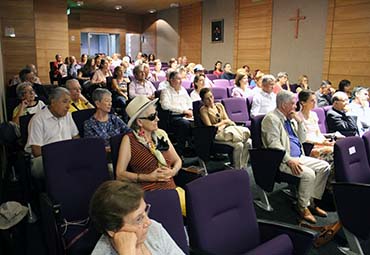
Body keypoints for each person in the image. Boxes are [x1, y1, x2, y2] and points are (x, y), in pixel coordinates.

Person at [261, 90, 330, 224]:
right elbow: (273, 144)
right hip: (282, 160)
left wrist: (299, 122)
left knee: (325, 167)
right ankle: (302, 207)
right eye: (293, 104)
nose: (295, 106)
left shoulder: (290, 117)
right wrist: (289, 160)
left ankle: (311, 201)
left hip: (299, 156)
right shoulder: (271, 119)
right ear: (283, 105)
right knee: (309, 174)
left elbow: (302, 139)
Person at [116, 95, 185, 214]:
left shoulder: (160, 134)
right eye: (152, 117)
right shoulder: (129, 140)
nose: (157, 119)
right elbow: (120, 174)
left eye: (156, 114)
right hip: (150, 195)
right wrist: (149, 177)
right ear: (139, 122)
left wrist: (172, 172)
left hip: (172, 190)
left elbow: (178, 161)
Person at [90, 180, 185, 255]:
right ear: (112, 230)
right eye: (138, 219)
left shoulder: (154, 229)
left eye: (145, 210)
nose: (148, 222)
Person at [26, 87, 79, 178]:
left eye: (69, 102)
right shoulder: (38, 120)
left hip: (67, 156)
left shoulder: (68, 116)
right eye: (64, 102)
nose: (68, 106)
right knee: (61, 164)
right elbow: (36, 151)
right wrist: (59, 154)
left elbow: (76, 137)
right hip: (44, 159)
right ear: (53, 102)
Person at [200, 88, 250, 169]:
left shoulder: (219, 105)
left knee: (249, 142)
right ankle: (236, 169)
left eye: (211, 96)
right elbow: (211, 128)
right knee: (239, 145)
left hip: (227, 131)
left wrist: (222, 124)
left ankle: (243, 166)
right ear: (203, 100)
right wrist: (223, 122)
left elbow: (228, 120)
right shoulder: (203, 110)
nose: (210, 100)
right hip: (216, 135)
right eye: (207, 98)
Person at [160, 71, 193, 156]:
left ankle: (194, 149)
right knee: (185, 124)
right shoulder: (165, 91)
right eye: (178, 79)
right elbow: (165, 106)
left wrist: (189, 110)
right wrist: (183, 111)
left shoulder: (183, 90)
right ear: (171, 80)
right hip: (173, 116)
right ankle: (180, 151)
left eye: (181, 79)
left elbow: (189, 102)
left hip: (186, 114)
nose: (181, 81)